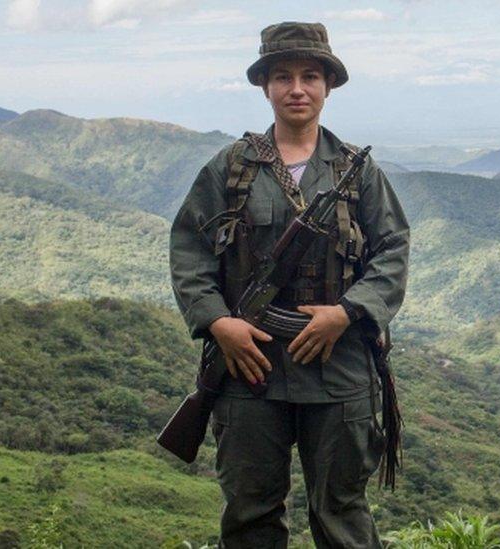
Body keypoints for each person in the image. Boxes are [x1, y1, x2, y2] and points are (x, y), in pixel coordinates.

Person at [168, 21, 409, 548]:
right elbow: (189, 248)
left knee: (341, 514)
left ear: (327, 87)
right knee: (250, 515)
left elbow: (393, 249)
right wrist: (218, 321)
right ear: (266, 87)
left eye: (309, 76)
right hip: (247, 368)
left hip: (339, 367)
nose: (297, 88)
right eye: (283, 76)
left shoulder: (355, 172)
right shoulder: (230, 168)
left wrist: (346, 313)